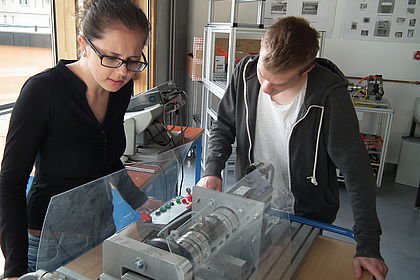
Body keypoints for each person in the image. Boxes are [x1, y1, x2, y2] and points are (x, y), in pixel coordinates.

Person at [198, 17, 388, 279]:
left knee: (295, 271)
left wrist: (368, 244)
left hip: (306, 214)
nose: (265, 88)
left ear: (306, 70)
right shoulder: (245, 72)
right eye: (263, 75)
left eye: (278, 83)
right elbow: (223, 127)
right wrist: (212, 170)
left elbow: (357, 171)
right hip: (253, 203)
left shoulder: (329, 95)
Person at [0, 0, 162, 278]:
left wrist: (138, 200)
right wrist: (14, 269)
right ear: (83, 44)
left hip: (102, 228)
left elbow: (108, 160)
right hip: (51, 238)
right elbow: (10, 183)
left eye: (134, 60)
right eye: (111, 57)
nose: (123, 71)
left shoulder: (120, 90)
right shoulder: (43, 91)